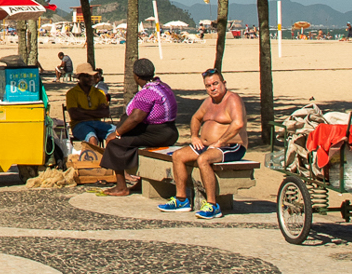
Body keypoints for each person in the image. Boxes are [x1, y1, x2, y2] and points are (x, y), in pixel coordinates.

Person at [159, 69, 248, 218]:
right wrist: (195, 136)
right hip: (208, 146)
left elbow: (238, 124)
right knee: (178, 155)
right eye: (208, 85)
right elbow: (195, 118)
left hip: (231, 146)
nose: (212, 88)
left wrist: (220, 141)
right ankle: (181, 200)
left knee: (203, 159)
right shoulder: (208, 102)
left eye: (215, 84)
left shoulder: (233, 99)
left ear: (223, 83)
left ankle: (212, 205)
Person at [98, 58, 178, 197]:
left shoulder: (147, 93)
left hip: (158, 133)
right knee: (131, 143)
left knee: (115, 144)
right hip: (170, 130)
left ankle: (121, 186)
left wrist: (116, 133)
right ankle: (141, 181)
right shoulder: (162, 86)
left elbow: (136, 118)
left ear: (136, 76)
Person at [63, 67, 114, 150]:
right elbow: (74, 115)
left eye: (92, 76)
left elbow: (105, 113)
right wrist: (96, 113)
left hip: (97, 123)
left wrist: (82, 111)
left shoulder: (99, 93)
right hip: (79, 124)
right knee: (92, 137)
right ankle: (94, 160)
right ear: (79, 77)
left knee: (116, 133)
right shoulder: (71, 93)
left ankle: (107, 158)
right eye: (87, 76)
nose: (91, 78)